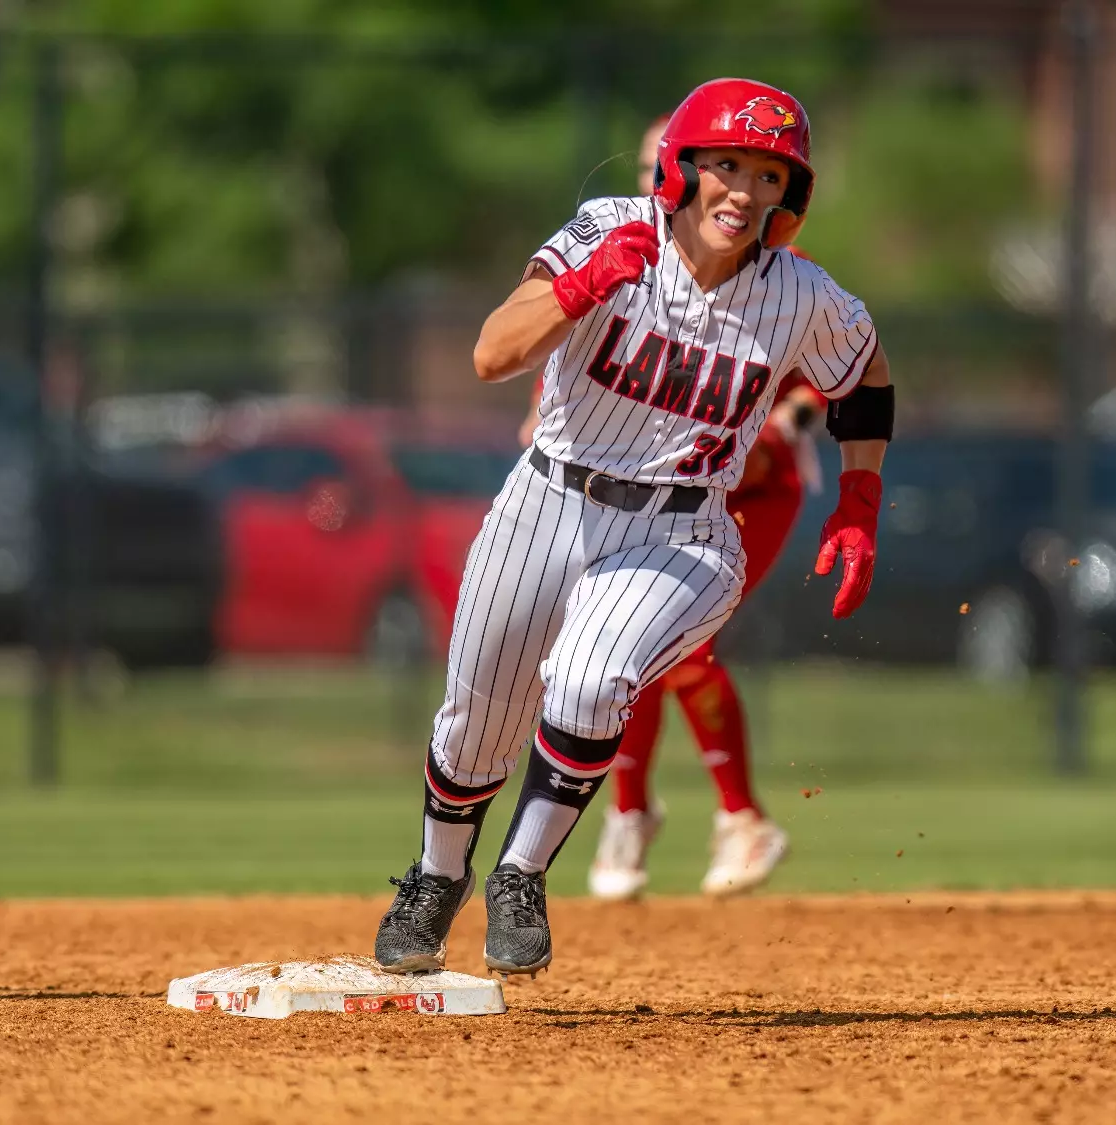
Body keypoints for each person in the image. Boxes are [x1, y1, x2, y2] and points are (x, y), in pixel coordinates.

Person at [374, 77, 895, 978]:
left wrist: (859, 498)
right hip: (548, 501)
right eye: (726, 165)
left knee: (590, 681)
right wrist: (578, 288)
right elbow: (493, 353)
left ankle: (521, 873)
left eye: (768, 175)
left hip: (685, 529)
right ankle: (436, 875)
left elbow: (866, 378)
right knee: (476, 724)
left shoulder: (800, 294)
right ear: (682, 167)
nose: (743, 191)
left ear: (790, 194)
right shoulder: (611, 228)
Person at [515, 116, 823, 903]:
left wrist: (788, 423)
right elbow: (562, 367)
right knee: (620, 650)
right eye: (661, 163)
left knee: (679, 648)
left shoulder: (778, 272)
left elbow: (829, 377)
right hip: (644, 497)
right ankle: (632, 813)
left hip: (751, 491)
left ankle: (736, 816)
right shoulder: (624, 258)